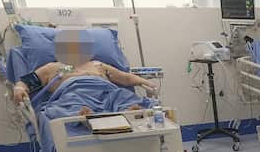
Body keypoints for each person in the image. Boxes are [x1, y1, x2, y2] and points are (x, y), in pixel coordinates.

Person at [11, 30, 157, 109]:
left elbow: (125, 78)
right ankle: (82, 117)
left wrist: (145, 83)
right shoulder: (52, 68)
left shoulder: (97, 65)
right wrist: (19, 88)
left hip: (106, 92)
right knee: (66, 107)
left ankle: (130, 111)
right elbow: (27, 81)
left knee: (122, 97)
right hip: (75, 95)